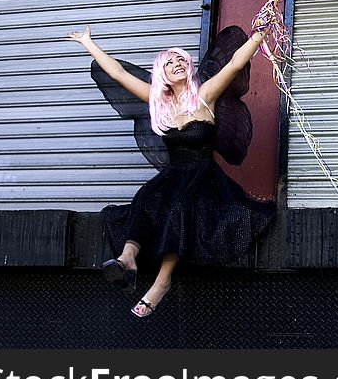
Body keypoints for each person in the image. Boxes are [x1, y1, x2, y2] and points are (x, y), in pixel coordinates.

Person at [66, 25, 276, 318]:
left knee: (179, 207)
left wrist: (257, 38)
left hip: (203, 176)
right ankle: (127, 259)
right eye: (170, 62)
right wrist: (89, 43)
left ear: (188, 67)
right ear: (161, 72)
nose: (177, 64)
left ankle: (161, 283)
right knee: (145, 199)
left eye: (181, 60)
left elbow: (235, 63)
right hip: (174, 174)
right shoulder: (159, 103)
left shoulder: (205, 95)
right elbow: (119, 74)